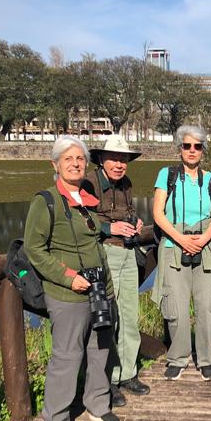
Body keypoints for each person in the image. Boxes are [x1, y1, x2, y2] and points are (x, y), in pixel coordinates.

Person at [24, 136, 120, 421]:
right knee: (67, 356)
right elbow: (34, 249)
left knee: (101, 348)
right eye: (68, 159)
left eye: (80, 159)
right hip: (68, 294)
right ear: (55, 164)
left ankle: (97, 404)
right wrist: (68, 277)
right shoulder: (46, 201)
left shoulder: (87, 199)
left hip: (99, 290)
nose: (76, 164)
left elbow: (94, 238)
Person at [151, 125, 211, 381]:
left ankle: (206, 358)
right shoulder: (167, 175)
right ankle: (178, 358)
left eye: (197, 146)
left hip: (205, 247)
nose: (192, 150)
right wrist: (181, 239)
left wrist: (204, 238)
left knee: (207, 306)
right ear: (180, 149)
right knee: (175, 305)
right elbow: (158, 213)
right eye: (187, 146)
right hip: (173, 246)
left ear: (203, 150)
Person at [85, 135, 150, 402]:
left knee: (129, 316)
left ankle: (128, 373)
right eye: (114, 158)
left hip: (128, 253)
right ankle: (108, 380)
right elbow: (82, 219)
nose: (119, 164)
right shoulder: (89, 182)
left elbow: (129, 212)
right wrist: (108, 227)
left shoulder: (126, 183)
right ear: (101, 159)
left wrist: (136, 222)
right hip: (104, 254)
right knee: (109, 318)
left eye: (123, 159)